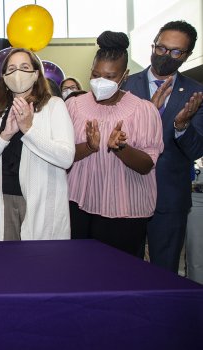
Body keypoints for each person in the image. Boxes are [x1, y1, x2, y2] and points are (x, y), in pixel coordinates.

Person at [67, 31, 164, 258]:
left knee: (121, 278)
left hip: (124, 212)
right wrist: (89, 147)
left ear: (125, 76)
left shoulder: (143, 110)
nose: (101, 81)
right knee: (80, 272)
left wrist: (121, 148)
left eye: (110, 77)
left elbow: (146, 165)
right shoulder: (74, 106)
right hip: (79, 206)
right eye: (96, 74)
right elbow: (64, 156)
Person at [123, 20, 203, 272]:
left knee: (164, 271)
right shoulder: (125, 86)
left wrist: (182, 127)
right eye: (161, 48)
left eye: (175, 52)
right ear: (154, 45)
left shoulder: (195, 94)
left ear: (187, 55)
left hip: (169, 200)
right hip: (126, 193)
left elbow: (196, 149)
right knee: (124, 270)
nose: (165, 56)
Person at [0, 48, 75, 241]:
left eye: (24, 67)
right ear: (4, 77)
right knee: (8, 264)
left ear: (36, 73)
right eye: (12, 69)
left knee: (39, 264)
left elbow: (66, 158)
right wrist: (5, 135)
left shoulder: (54, 106)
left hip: (42, 201)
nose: (18, 73)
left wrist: (28, 130)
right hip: (5, 199)